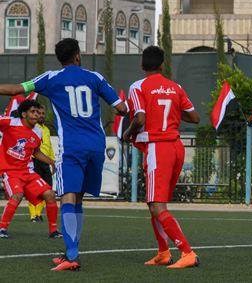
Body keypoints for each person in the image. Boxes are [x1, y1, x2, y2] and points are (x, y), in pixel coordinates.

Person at [0, 38, 128, 271]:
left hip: (71, 146)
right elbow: (122, 108)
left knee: (67, 197)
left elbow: (17, 90)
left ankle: (71, 255)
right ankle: (72, 250)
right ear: (78, 55)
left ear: (60, 59)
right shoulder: (95, 77)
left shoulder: (51, 78)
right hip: (97, 145)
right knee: (78, 198)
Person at [124, 46, 201, 269]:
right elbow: (195, 117)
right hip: (176, 146)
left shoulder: (138, 86)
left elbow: (139, 118)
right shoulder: (175, 87)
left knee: (157, 205)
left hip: (158, 147)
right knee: (155, 204)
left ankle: (187, 252)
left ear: (142, 65)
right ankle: (163, 252)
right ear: (162, 65)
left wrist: (128, 132)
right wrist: (175, 112)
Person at [0, 100, 60, 239]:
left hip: (28, 172)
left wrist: (52, 162)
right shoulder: (10, 122)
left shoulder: (38, 131)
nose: (37, 115)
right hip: (10, 171)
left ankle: (53, 231)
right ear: (24, 114)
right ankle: (2, 228)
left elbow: (36, 152)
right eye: (33, 112)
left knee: (50, 194)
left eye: (38, 112)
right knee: (17, 195)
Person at [28, 106, 54, 223]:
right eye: (39, 113)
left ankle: (38, 213)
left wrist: (52, 161)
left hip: (45, 162)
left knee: (48, 189)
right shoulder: (32, 128)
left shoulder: (47, 130)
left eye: (43, 113)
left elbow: (49, 147)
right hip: (34, 160)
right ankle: (34, 215)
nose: (42, 115)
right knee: (34, 190)